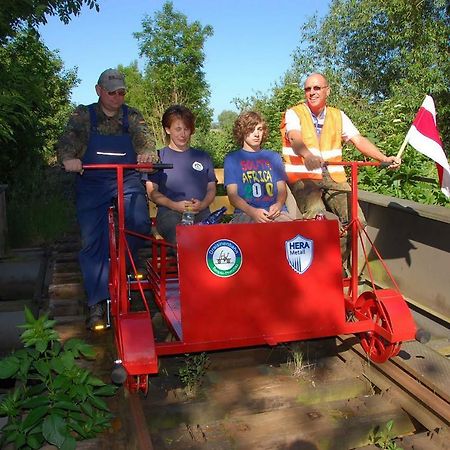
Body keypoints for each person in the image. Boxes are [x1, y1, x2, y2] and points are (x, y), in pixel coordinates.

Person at [57, 68, 157, 330]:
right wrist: (69, 159)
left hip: (127, 180)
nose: (116, 96)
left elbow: (146, 143)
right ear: (99, 90)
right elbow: (68, 141)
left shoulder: (132, 116)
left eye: (121, 91)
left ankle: (123, 266)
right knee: (92, 240)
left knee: (139, 224)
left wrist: (147, 157)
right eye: (111, 91)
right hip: (93, 181)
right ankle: (97, 300)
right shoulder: (83, 116)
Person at [281, 72, 401, 262]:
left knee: (356, 221)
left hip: (333, 176)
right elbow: (295, 138)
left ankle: (334, 266)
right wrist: (308, 155)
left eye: (317, 88)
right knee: (317, 217)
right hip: (304, 177)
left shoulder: (338, 116)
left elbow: (358, 140)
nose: (311, 92)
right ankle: (317, 269)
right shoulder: (295, 113)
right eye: (308, 89)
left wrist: (383, 158)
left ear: (327, 91)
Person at [145, 104, 217, 244]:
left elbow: (211, 188)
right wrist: (174, 205)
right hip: (169, 213)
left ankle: (202, 266)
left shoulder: (203, 157)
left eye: (186, 129)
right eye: (178, 129)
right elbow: (152, 192)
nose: (183, 134)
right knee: (183, 237)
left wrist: (202, 205)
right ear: (167, 130)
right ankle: (189, 265)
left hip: (200, 212)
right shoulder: (158, 157)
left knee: (215, 237)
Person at [224, 111, 293, 223]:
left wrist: (279, 204)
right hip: (245, 212)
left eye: (259, 129)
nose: (256, 134)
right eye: (251, 129)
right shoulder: (232, 159)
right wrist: (252, 212)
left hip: (276, 212)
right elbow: (233, 196)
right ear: (242, 131)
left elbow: (282, 190)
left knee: (292, 230)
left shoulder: (273, 157)